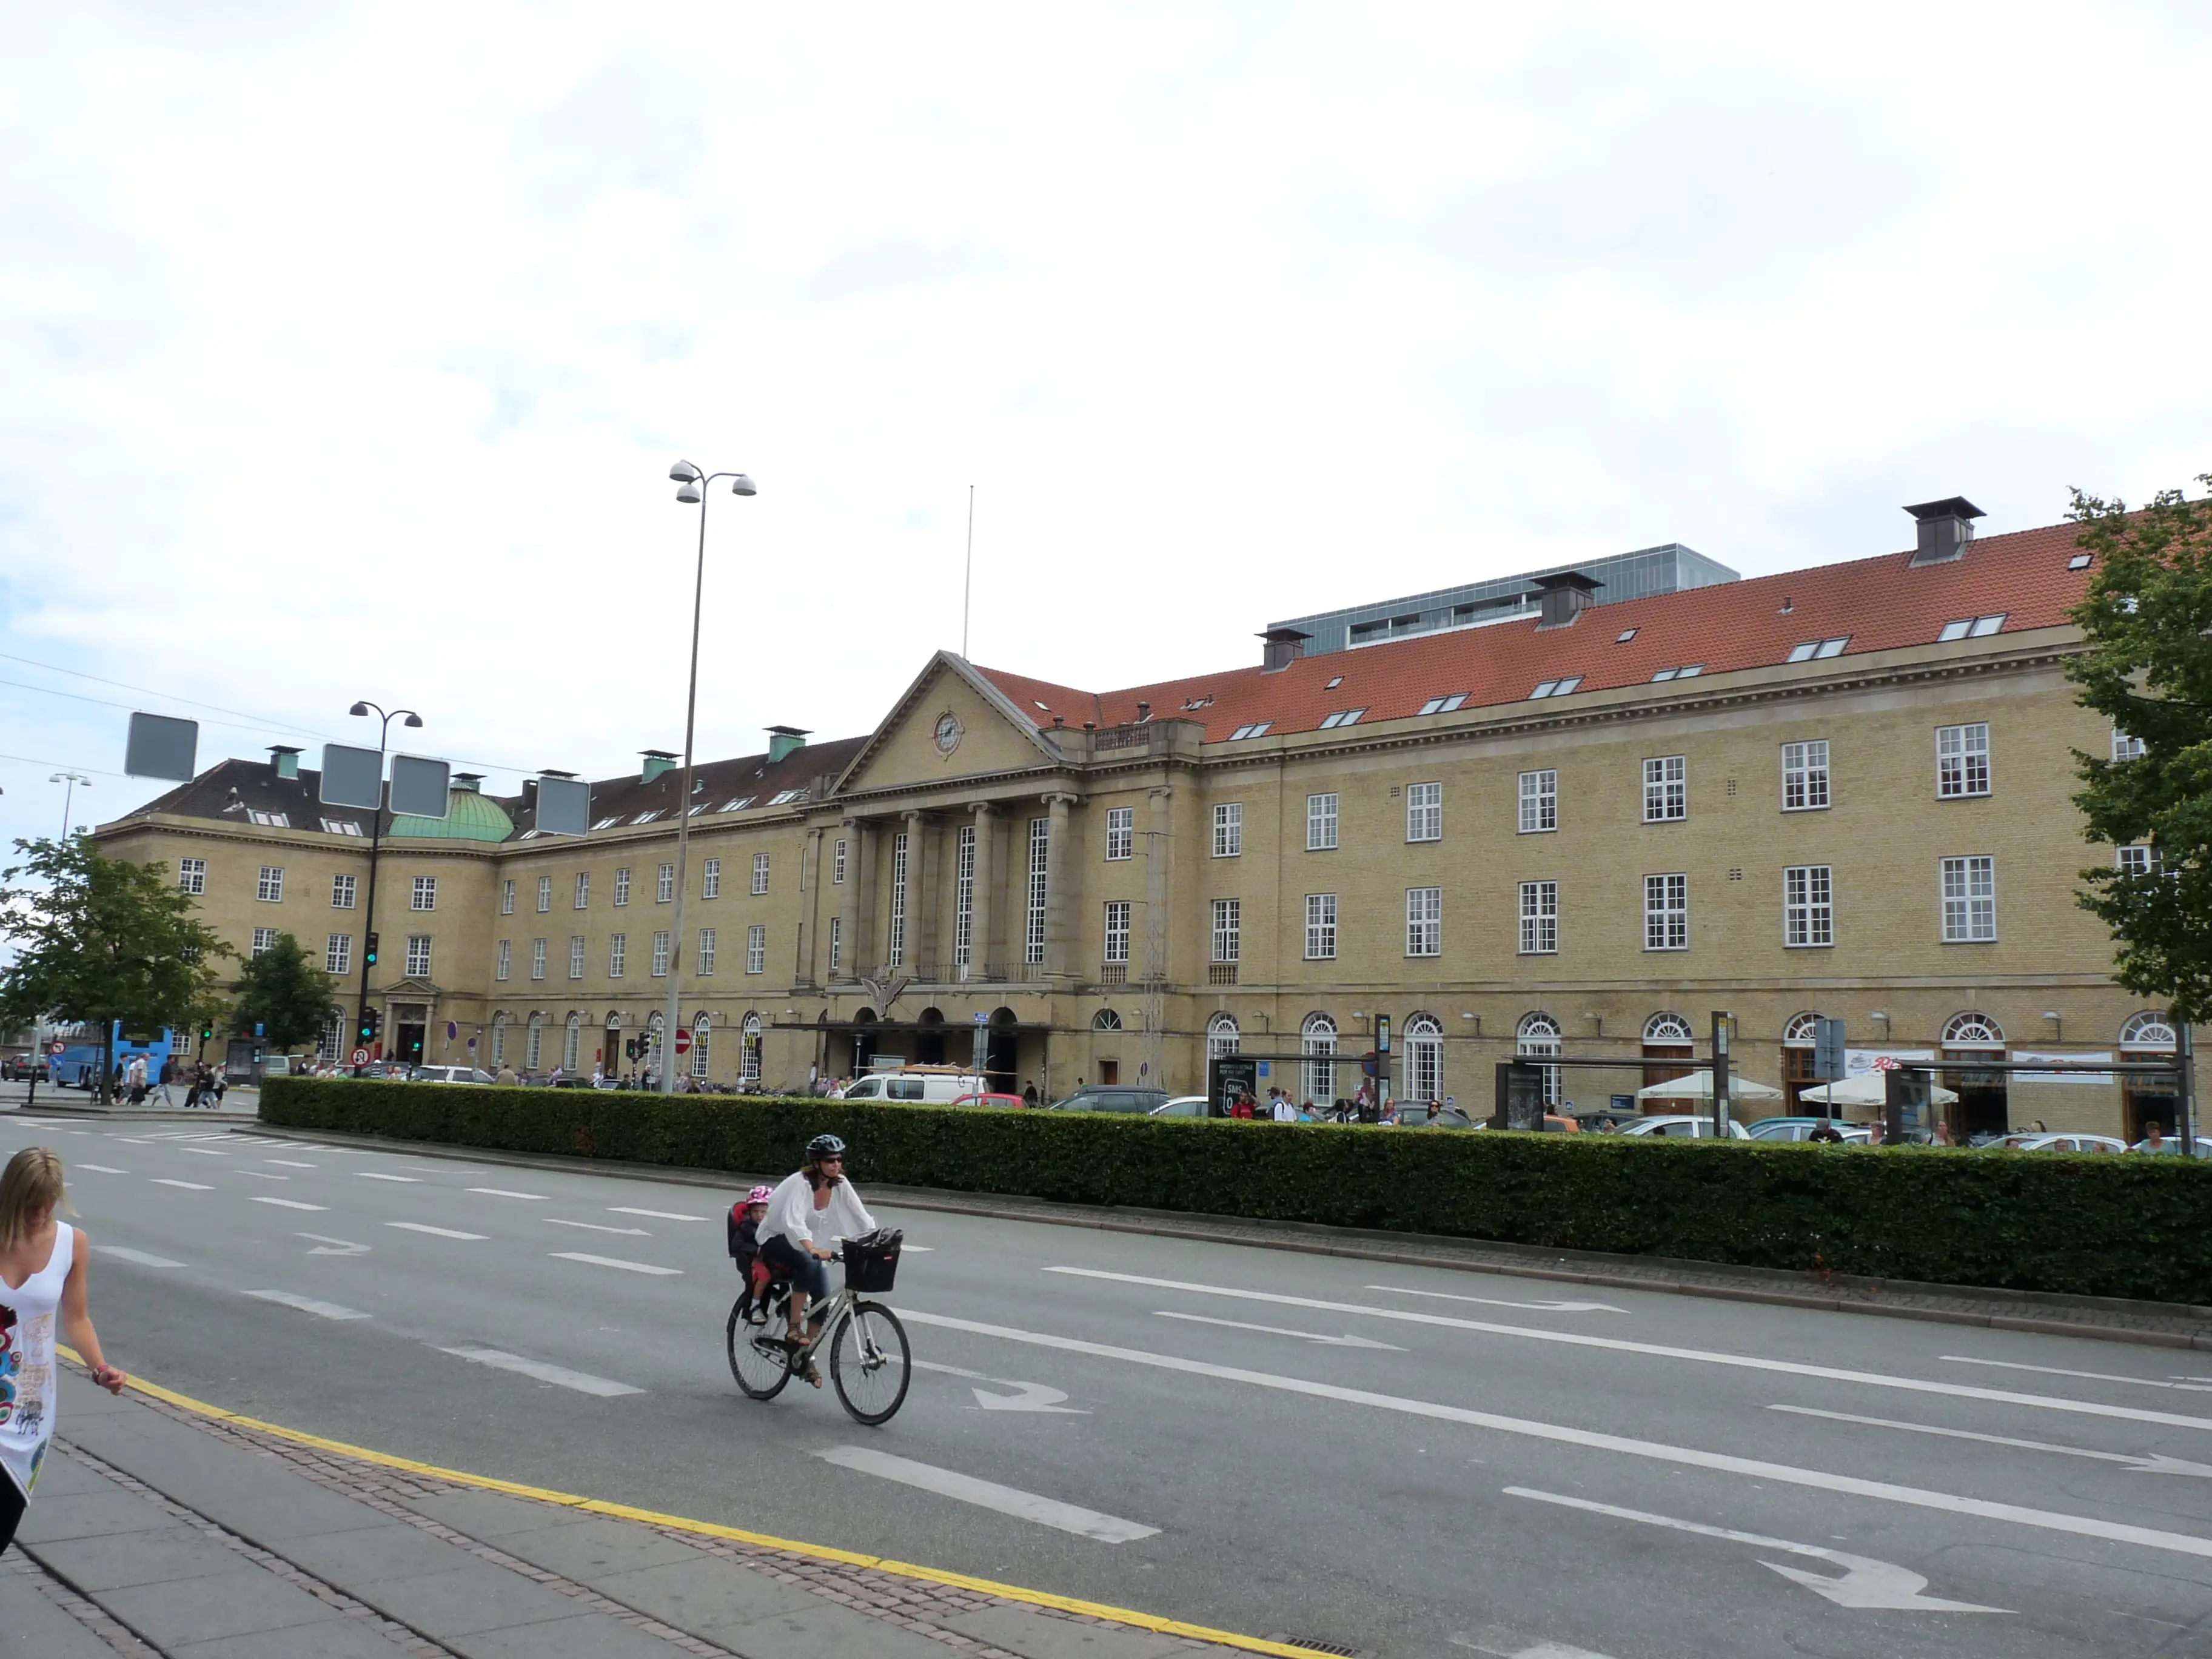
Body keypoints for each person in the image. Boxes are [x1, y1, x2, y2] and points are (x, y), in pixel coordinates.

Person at [1, 1148, 128, 1558]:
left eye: (48, 1202)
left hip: (29, 1407)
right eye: (32, 1204)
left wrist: (100, 1368)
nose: (41, 1212)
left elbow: (77, 1320)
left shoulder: (72, 1244)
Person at [759, 1136, 876, 1387]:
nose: (836, 1165)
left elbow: (860, 1216)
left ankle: (805, 1357)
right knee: (808, 1264)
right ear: (816, 1163)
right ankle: (793, 1328)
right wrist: (811, 1248)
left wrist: (874, 1241)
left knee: (823, 1300)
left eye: (839, 1160)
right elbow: (793, 1220)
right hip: (777, 1237)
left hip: (809, 1246)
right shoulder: (803, 1183)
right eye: (830, 1160)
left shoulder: (840, 1184)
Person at [728, 1185, 774, 1321]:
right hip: (753, 1260)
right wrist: (755, 1250)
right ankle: (755, 1305)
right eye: (756, 1211)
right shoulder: (746, 1227)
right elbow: (737, 1245)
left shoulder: (772, 1226)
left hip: (770, 1258)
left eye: (763, 1212)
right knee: (765, 1277)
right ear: (749, 1212)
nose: (760, 1215)